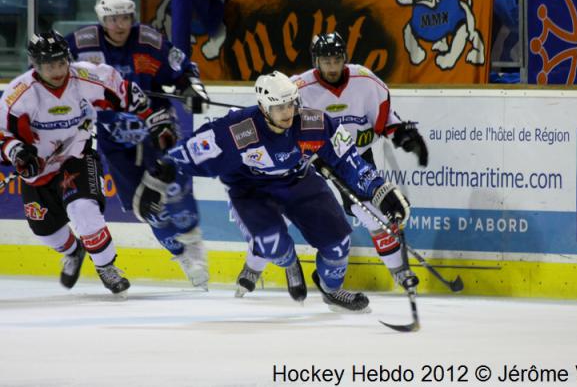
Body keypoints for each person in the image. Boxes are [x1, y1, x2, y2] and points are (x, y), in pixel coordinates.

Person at [133, 71, 411, 312]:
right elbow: (194, 150)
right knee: (272, 245)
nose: (288, 113)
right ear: (264, 108)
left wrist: (381, 191)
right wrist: (160, 175)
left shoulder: (316, 123)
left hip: (299, 181)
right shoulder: (238, 129)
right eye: (279, 108)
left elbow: (350, 162)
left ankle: (330, 289)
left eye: (291, 104)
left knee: (338, 245)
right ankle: (290, 263)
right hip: (252, 188)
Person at [236, 32, 428, 296]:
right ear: (316, 61)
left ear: (344, 59)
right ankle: (252, 268)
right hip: (308, 160)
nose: (332, 67)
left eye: (336, 60)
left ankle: (400, 272)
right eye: (326, 61)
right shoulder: (297, 87)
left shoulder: (366, 81)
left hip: (353, 157)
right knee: (279, 212)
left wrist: (403, 134)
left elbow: (384, 121)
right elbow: (271, 114)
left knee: (375, 214)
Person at [64, 0, 211, 289]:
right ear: (102, 19)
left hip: (156, 126)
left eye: (126, 18)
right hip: (114, 138)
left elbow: (182, 71)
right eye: (113, 19)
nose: (120, 25)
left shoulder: (148, 41)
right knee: (147, 208)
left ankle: (193, 240)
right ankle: (180, 253)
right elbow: (49, 76)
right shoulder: (80, 45)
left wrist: (191, 89)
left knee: (175, 182)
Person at [0, 30, 155, 295]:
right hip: (38, 172)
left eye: (61, 62)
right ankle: (74, 251)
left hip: (76, 155)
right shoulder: (19, 95)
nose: (58, 69)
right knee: (46, 232)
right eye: (50, 64)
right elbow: (3, 134)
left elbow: (121, 90)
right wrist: (18, 153)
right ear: (35, 64)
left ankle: (106, 267)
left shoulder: (84, 77)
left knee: (84, 208)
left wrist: (141, 105)